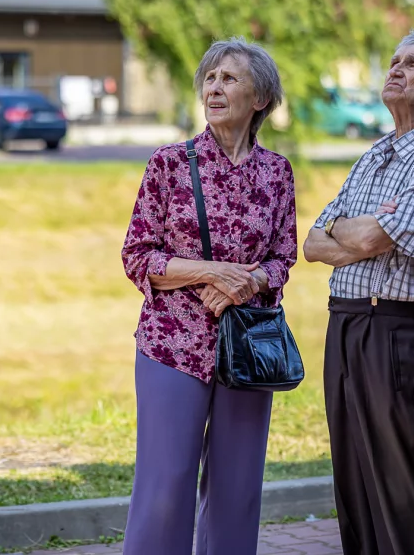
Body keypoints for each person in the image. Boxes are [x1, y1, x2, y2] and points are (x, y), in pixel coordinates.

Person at [303, 30, 414, 555]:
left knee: (402, 479)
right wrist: (355, 230)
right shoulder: (374, 155)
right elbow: (312, 244)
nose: (395, 70)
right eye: (394, 61)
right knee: (353, 474)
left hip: (398, 328)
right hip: (345, 320)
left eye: (413, 64)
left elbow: (369, 238)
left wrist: (353, 231)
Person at [120, 37, 297, 555]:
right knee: (165, 486)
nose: (214, 88)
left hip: (249, 348)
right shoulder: (169, 164)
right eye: (210, 79)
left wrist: (249, 282)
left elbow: (282, 257)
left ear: (260, 99)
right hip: (172, 346)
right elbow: (138, 255)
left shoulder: (277, 172)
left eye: (229, 78)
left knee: (236, 490)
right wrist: (213, 273)